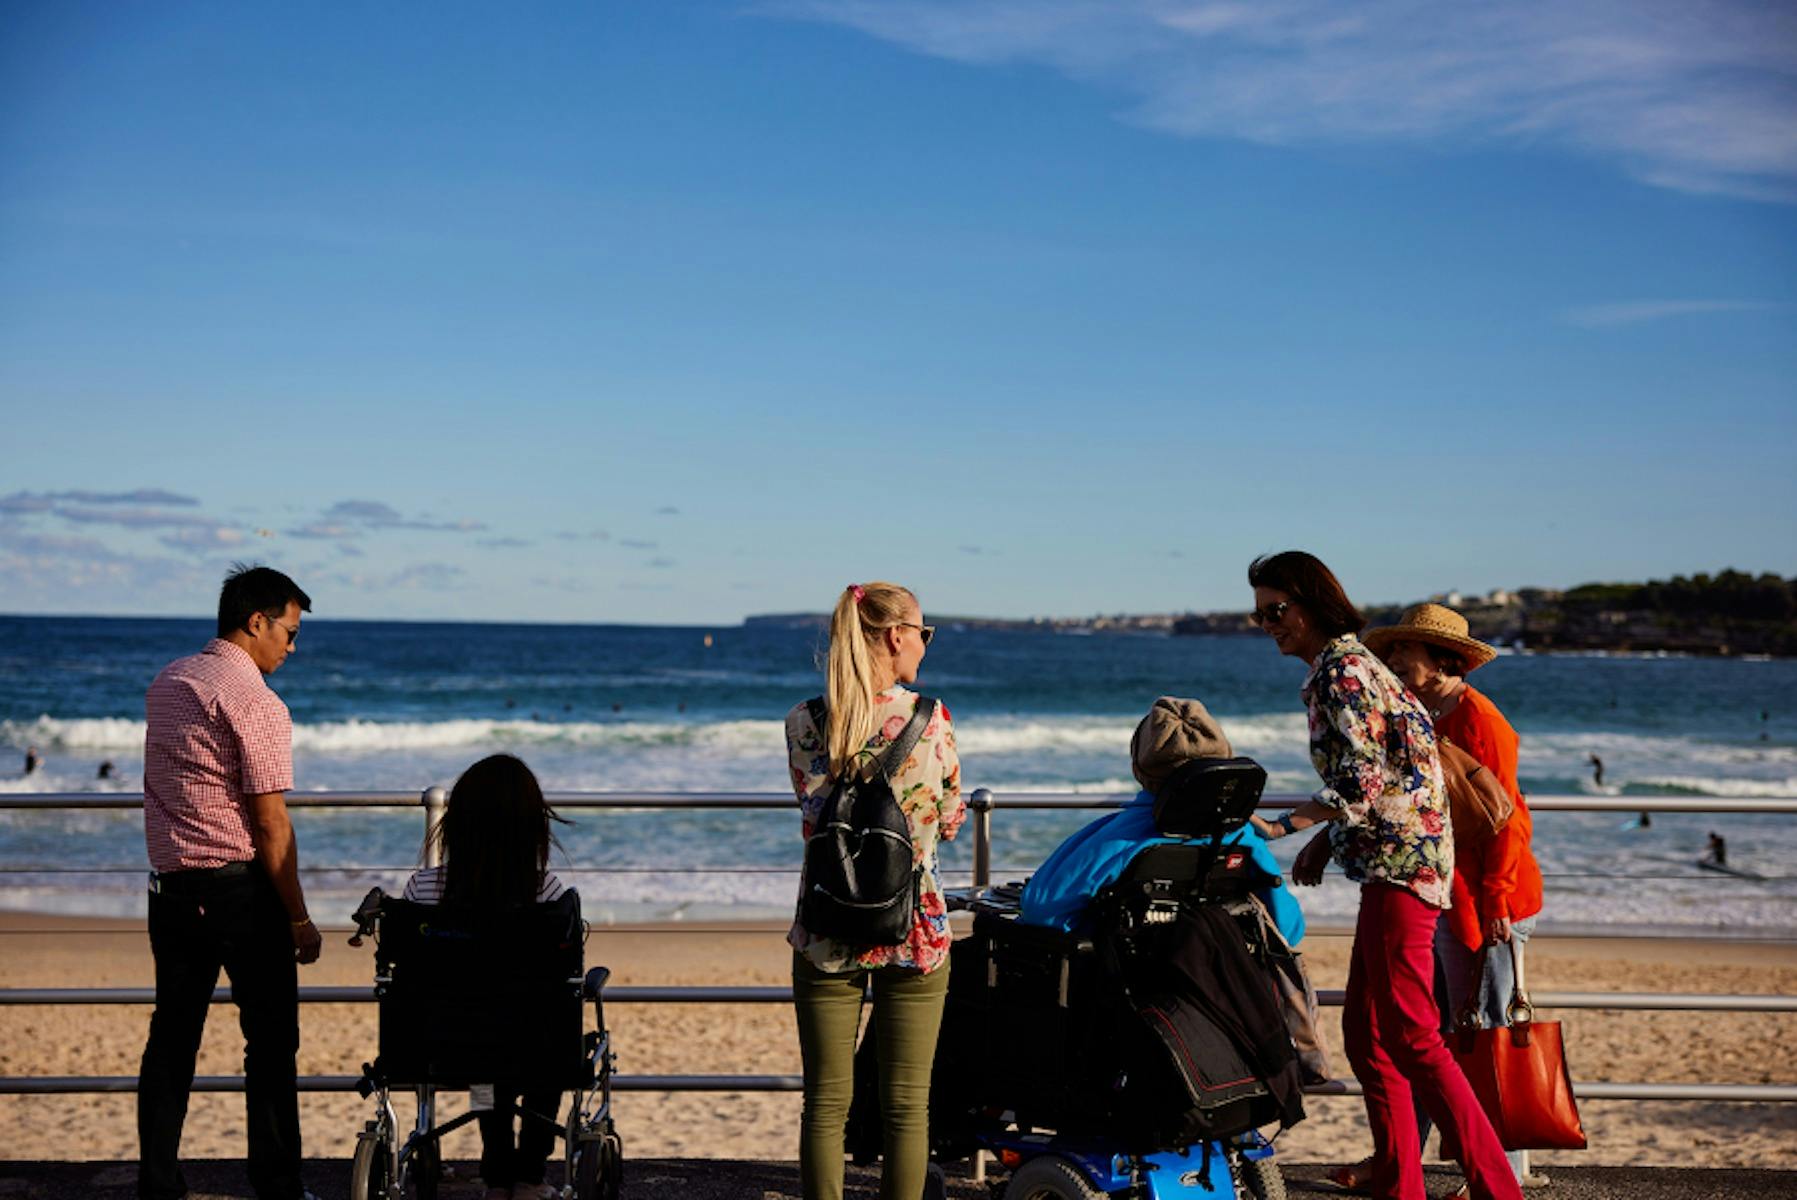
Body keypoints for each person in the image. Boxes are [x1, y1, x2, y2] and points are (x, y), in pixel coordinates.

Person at [1244, 553, 1519, 1200]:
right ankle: (1401, 1183)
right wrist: (1322, 840)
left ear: (1309, 605)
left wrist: (1283, 828)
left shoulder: (1342, 671)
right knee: (1366, 1035)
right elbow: (1391, 769)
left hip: (1403, 868)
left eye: (1274, 611)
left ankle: (1497, 1187)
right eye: (1258, 615)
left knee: (1413, 1035)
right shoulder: (1349, 667)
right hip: (1393, 861)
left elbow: (1364, 777)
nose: (1266, 625)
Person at [137, 565, 319, 1200]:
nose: (291, 648)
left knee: (172, 1040)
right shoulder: (257, 703)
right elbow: (270, 826)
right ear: (257, 622)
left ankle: (158, 1183)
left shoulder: (169, 680)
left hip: (172, 889)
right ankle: (276, 1184)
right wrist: (298, 916)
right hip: (240, 893)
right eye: (289, 633)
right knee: (270, 1044)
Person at [785, 582, 963, 1200]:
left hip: (827, 926)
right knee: (907, 1108)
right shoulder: (930, 718)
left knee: (825, 1104)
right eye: (923, 632)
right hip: (913, 929)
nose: (924, 644)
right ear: (895, 636)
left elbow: (812, 818)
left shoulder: (805, 722)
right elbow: (947, 818)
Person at [1361, 604, 1544, 1190]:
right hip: (1438, 891)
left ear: (1443, 659)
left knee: (1484, 1034)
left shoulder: (1479, 720)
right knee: (1425, 1034)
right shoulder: (1420, 712)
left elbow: (1507, 821)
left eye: (1402, 652)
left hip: (1487, 901)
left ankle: (1499, 1174)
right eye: (1390, 651)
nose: (1390, 662)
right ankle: (1401, 1162)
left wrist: (1495, 902)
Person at [402, 754, 570, 1200]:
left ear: (457, 823)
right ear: (531, 826)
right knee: (544, 1040)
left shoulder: (421, 890)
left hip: (447, 1043)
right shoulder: (547, 893)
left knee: (483, 1064)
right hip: (531, 1045)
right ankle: (530, 1176)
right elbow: (559, 983)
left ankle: (496, 1173)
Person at [1020, 695, 1303, 949]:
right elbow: (1289, 931)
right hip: (1212, 986)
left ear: (1138, 769)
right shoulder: (1241, 839)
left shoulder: (1120, 838)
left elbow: (1042, 911)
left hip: (1126, 987)